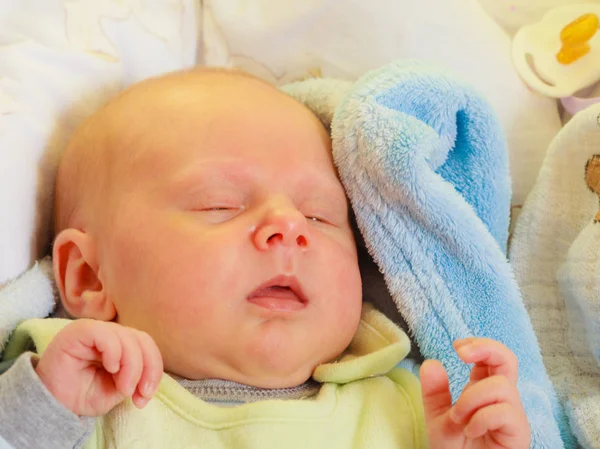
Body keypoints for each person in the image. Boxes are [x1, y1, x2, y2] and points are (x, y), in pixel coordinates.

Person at [0, 69, 530, 449]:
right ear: (91, 275)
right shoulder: (77, 388)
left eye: (321, 215)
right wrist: (38, 412)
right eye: (220, 204)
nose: (290, 228)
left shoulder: (411, 408)